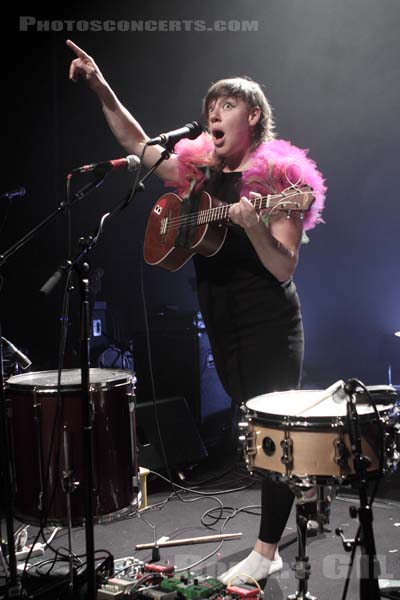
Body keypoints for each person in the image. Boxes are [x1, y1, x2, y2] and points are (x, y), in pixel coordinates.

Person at [67, 39, 326, 583]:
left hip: (268, 320)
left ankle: (266, 549)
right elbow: (137, 143)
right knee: (249, 420)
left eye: (226, 104)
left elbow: (283, 269)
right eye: (210, 106)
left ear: (252, 115)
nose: (213, 112)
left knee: (269, 429)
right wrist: (99, 84)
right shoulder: (198, 173)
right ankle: (305, 496)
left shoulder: (282, 179)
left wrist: (254, 224)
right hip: (220, 315)